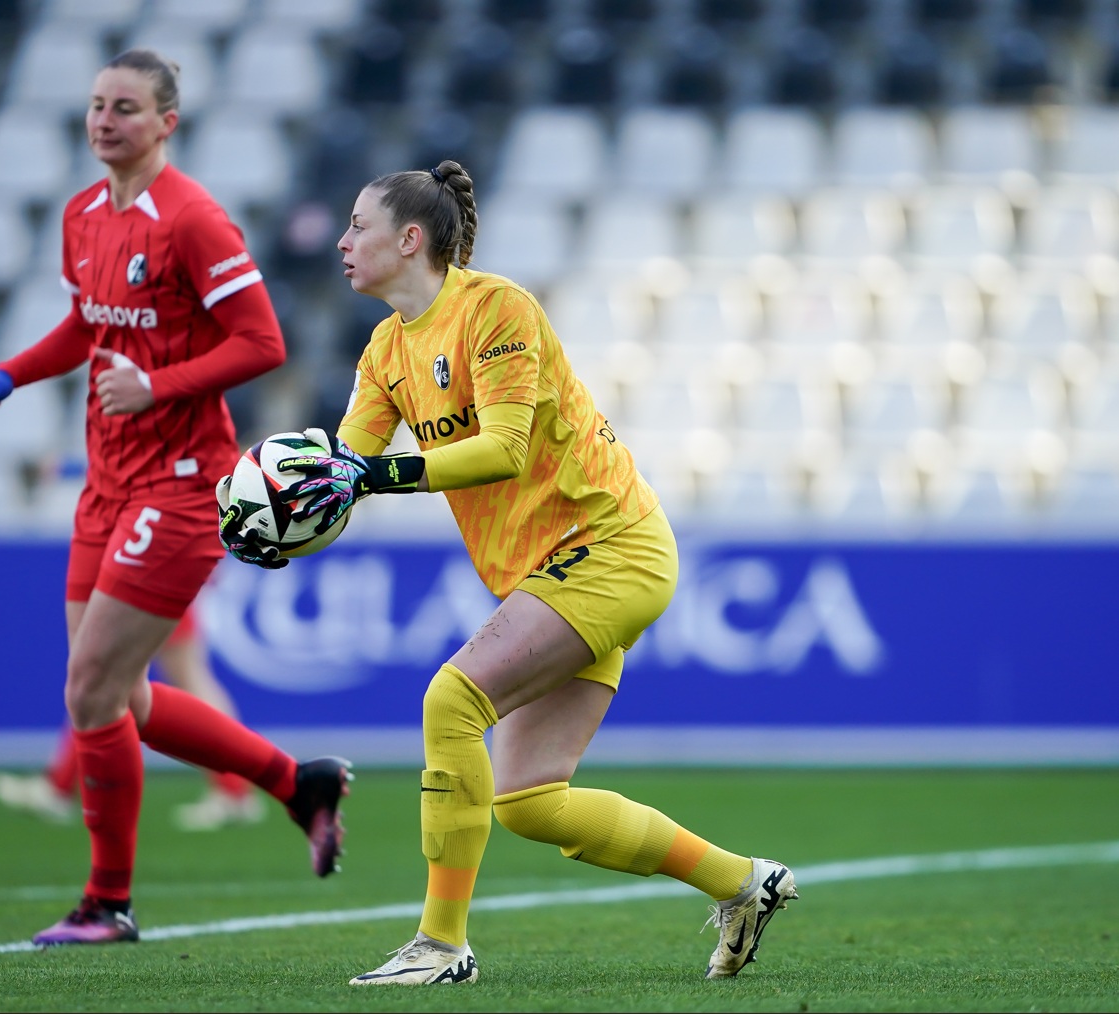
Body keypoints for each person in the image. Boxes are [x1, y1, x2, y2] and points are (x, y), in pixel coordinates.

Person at [218, 161, 797, 984]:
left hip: (612, 545)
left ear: (409, 239)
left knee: (452, 699)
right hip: (557, 569)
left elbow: (503, 448)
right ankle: (743, 884)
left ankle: (441, 945)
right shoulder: (386, 350)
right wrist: (277, 524)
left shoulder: (497, 309)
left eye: (358, 226)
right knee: (529, 799)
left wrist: (371, 478)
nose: (343, 242)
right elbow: (347, 472)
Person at [0, 49, 350, 946]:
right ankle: (298, 784)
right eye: (96, 106)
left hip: (180, 488)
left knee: (92, 689)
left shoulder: (194, 220)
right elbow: (84, 329)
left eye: (125, 108)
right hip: (106, 483)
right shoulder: (83, 216)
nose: (104, 121)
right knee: (116, 700)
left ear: (166, 123)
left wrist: (160, 386)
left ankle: (109, 901)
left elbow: (263, 342)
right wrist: (7, 375)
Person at [0, 604, 266, 830]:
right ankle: (59, 785)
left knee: (117, 674)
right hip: (155, 558)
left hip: (153, 562)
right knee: (110, 676)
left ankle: (234, 789)